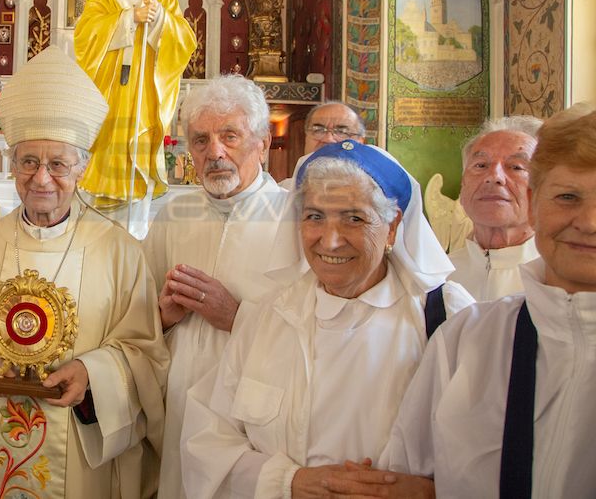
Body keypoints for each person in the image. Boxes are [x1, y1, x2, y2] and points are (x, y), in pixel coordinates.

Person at [0, 46, 168, 498]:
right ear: (11, 164)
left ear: (83, 167)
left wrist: (92, 375)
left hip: (79, 457)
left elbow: (145, 355)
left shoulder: (121, 253)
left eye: (58, 164)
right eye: (29, 162)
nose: (41, 178)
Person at [180, 140, 472, 499]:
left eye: (354, 218)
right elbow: (207, 438)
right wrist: (288, 482)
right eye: (315, 217)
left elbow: (493, 451)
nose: (330, 242)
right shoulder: (268, 315)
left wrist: (431, 492)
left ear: (393, 226)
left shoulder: (446, 317)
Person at [368, 105, 596, 498]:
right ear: (538, 203)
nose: (589, 221)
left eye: (516, 166)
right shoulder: (457, 320)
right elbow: (410, 470)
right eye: (567, 197)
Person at [143, 74, 299, 498]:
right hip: (178, 402)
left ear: (262, 143)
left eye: (230, 136)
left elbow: (313, 329)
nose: (214, 152)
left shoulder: (295, 219)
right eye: (200, 140)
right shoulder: (174, 215)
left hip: (256, 410)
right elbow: (138, 317)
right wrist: (163, 317)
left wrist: (236, 316)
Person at [74, 0, 197, 215]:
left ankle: (137, 199)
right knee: (105, 143)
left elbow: (185, 42)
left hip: (143, 95)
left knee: (138, 146)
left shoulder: (164, 1)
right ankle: (99, 198)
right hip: (108, 91)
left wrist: (160, 20)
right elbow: (85, 37)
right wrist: (130, 18)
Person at [448, 116, 542, 300]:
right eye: (481, 165)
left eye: (516, 167)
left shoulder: (564, 280)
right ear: (463, 186)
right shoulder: (437, 280)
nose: (494, 176)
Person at [278, 101, 366, 190]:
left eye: (342, 132)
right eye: (318, 130)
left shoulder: (371, 192)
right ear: (306, 137)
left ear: (360, 142)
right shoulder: (282, 193)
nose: (328, 139)